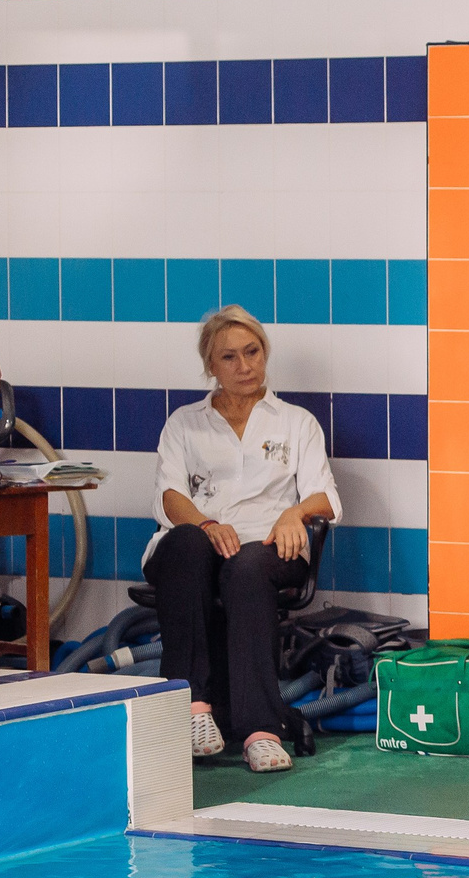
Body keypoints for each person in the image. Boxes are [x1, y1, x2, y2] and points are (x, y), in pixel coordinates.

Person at [144, 307, 340, 772]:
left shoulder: (296, 422)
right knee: (188, 544)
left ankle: (261, 731)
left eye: (252, 352)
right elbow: (170, 495)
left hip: (269, 547)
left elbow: (326, 498)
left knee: (248, 566)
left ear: (264, 353)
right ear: (211, 366)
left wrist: (296, 512)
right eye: (229, 357)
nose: (244, 365)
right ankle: (193, 711)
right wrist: (207, 526)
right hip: (198, 546)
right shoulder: (184, 423)